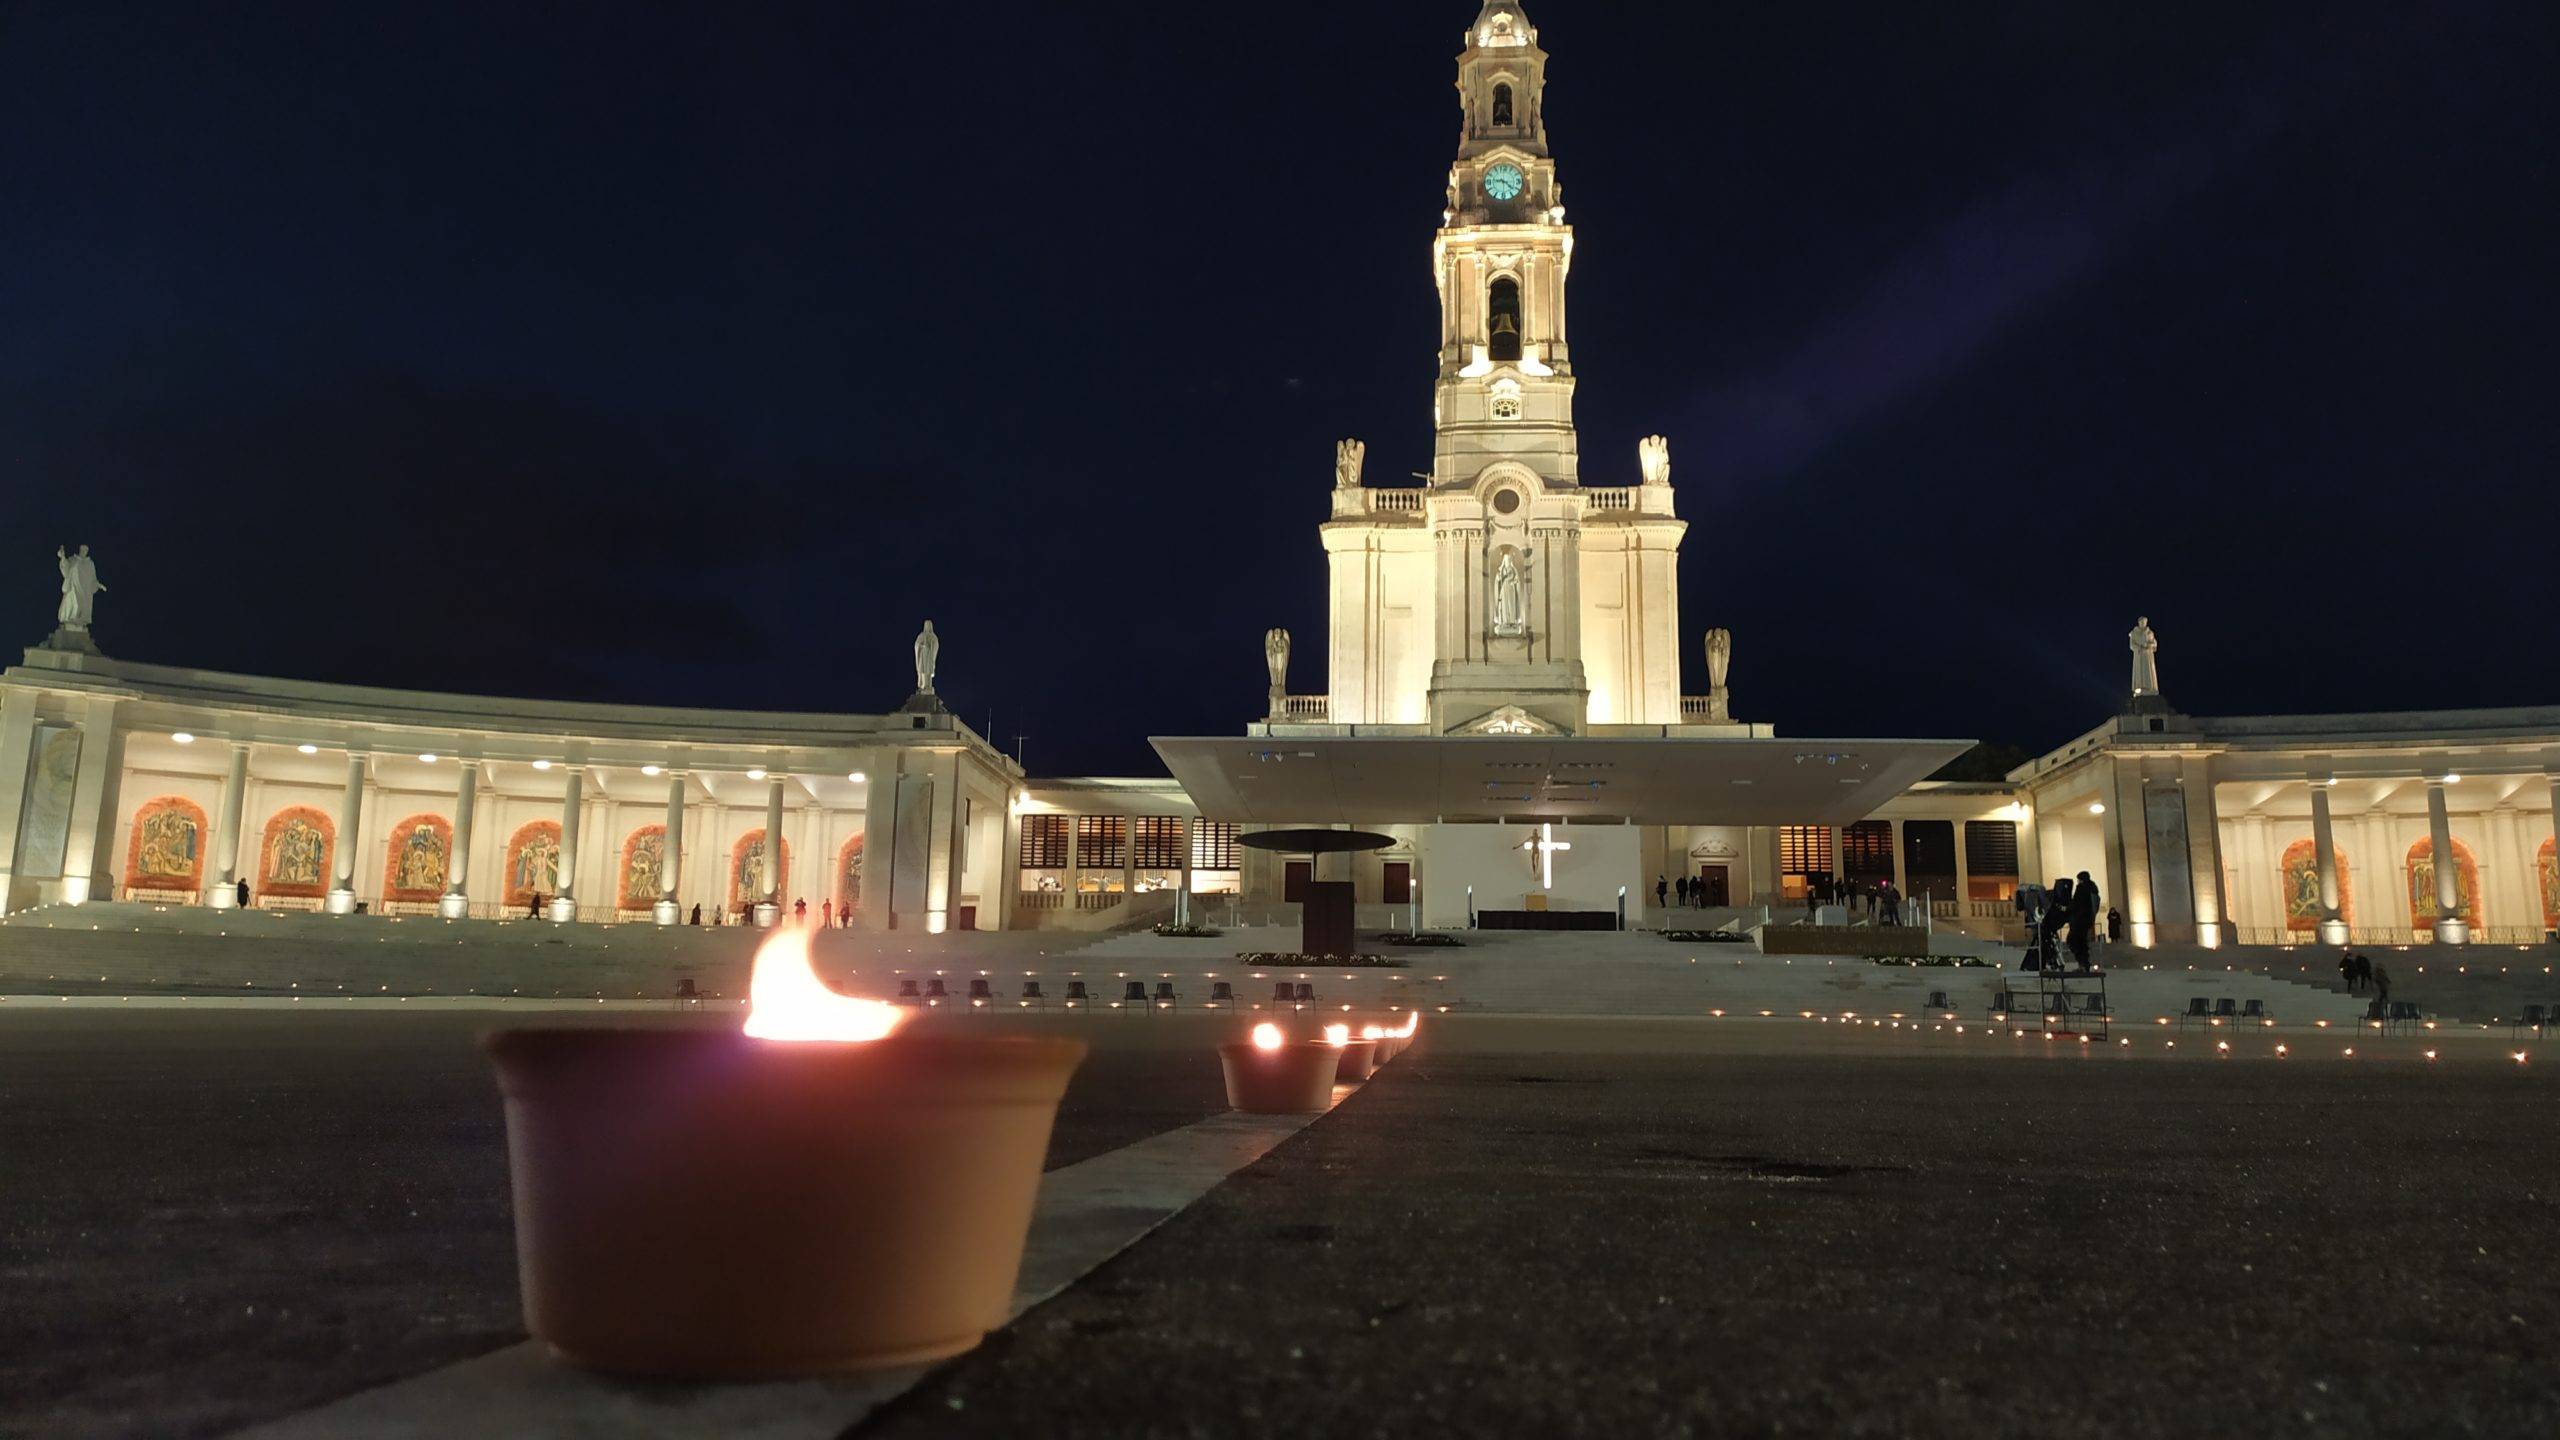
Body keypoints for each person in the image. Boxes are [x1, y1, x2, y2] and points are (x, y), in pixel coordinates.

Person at [2068, 876, 2098, 969]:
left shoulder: (2081, 889)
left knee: (2074, 941)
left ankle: (2082, 964)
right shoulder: (2092, 889)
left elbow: (2076, 904)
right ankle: (2084, 964)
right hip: (2087, 921)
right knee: (2082, 943)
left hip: (2079, 921)